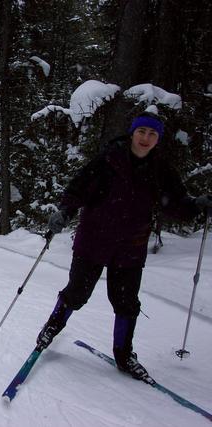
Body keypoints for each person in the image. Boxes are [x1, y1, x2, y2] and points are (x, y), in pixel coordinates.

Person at [37, 111, 212, 381]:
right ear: (133, 133)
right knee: (77, 292)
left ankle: (124, 355)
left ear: (158, 139)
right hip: (94, 240)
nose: (146, 138)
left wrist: (196, 206)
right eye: (142, 132)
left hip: (131, 245)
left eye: (152, 134)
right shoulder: (107, 160)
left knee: (126, 302)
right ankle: (51, 327)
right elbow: (77, 190)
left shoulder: (160, 169)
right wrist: (64, 212)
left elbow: (177, 203)